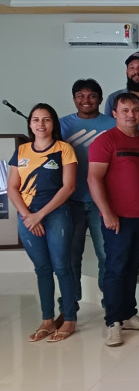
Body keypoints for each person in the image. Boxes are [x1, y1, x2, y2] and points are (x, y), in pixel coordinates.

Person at [88, 93, 139, 346]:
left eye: (135, 110)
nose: (131, 114)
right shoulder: (105, 141)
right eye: (125, 110)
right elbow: (93, 179)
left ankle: (128, 314)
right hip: (117, 218)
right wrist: (107, 212)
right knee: (115, 268)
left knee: (132, 267)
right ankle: (113, 320)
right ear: (115, 114)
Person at [7, 104, 78, 342]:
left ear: (53, 123)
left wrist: (40, 215)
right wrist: (28, 215)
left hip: (56, 213)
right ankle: (47, 319)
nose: (40, 124)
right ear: (30, 124)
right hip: (27, 216)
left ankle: (69, 318)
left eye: (46, 119)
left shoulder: (63, 149)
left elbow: (68, 187)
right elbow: (12, 188)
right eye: (36, 119)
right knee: (42, 269)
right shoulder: (21, 151)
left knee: (61, 267)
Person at [59, 79, 114, 310]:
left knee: (105, 255)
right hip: (71, 201)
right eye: (80, 95)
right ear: (74, 99)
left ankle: (109, 304)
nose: (86, 100)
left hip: (102, 201)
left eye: (91, 96)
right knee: (71, 257)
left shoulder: (112, 124)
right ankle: (69, 307)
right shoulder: (61, 125)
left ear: (100, 99)